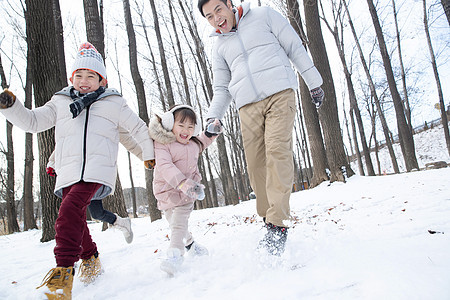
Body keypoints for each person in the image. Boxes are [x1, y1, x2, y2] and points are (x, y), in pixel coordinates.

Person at [0, 42, 155, 299]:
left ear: (101, 80)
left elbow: (138, 129)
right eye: (79, 76)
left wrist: (148, 155)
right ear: (72, 78)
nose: (84, 81)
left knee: (69, 211)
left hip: (97, 170)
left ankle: (63, 271)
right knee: (77, 217)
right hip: (68, 170)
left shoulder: (113, 102)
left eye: (91, 76)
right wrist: (12, 107)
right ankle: (91, 258)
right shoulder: (60, 102)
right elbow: (33, 121)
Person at [198, 0, 325, 256]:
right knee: (255, 165)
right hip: (247, 106)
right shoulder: (220, 47)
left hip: (280, 93)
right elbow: (221, 88)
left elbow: (294, 47)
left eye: (219, 10)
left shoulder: (264, 15)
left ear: (230, 4)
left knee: (278, 150)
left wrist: (314, 82)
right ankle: (268, 220)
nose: (217, 19)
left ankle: (277, 225)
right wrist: (213, 117)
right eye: (209, 17)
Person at [148, 105, 221, 276]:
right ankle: (191, 245)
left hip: (189, 192)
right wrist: (182, 183)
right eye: (181, 125)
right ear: (170, 123)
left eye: (190, 127)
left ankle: (175, 255)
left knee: (179, 223)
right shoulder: (163, 144)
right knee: (174, 223)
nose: (185, 130)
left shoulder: (194, 144)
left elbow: (206, 138)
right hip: (167, 191)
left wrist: (213, 131)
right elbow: (165, 166)